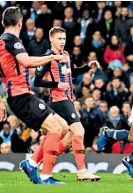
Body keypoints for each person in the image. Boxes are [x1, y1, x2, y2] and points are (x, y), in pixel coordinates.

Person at [0, 7, 75, 185]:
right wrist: (52, 58)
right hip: (20, 96)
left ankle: (31, 163)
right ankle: (44, 175)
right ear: (20, 23)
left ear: (3, 23)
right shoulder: (11, 40)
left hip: (18, 96)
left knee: (64, 127)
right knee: (56, 129)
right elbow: (26, 61)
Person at [21, 27, 100, 182]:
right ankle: (81, 171)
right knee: (78, 129)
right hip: (59, 100)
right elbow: (36, 80)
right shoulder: (48, 57)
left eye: (64, 39)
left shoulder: (64, 55)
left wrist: (86, 67)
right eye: (59, 39)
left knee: (68, 135)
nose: (62, 42)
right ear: (51, 39)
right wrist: (56, 84)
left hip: (67, 98)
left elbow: (69, 73)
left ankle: (35, 160)